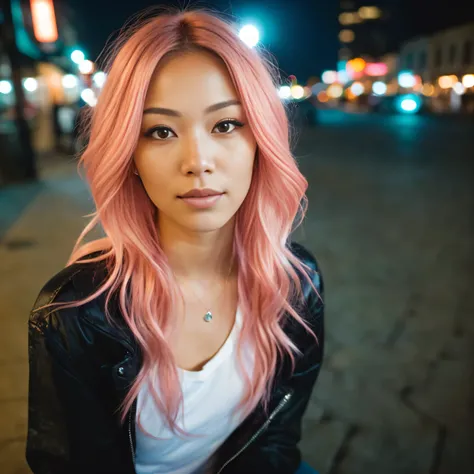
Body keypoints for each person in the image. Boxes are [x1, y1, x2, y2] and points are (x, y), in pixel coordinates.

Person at [26, 8, 324, 474]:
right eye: (160, 131)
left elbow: (277, 442)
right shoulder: (77, 314)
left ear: (260, 140)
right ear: (131, 156)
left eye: (225, 125)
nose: (198, 161)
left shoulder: (298, 284)